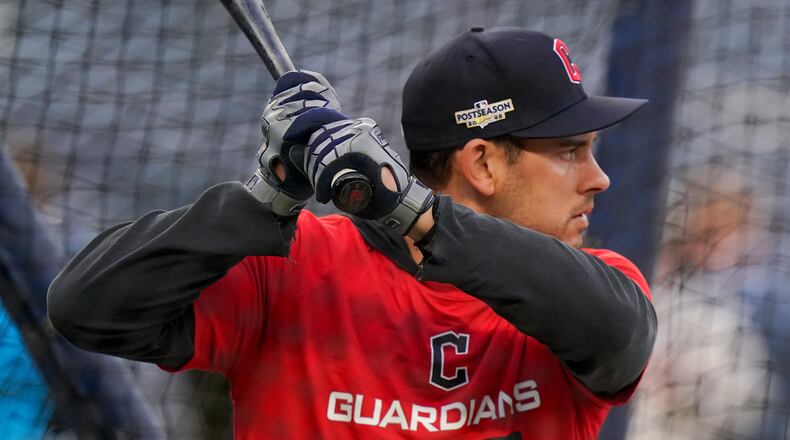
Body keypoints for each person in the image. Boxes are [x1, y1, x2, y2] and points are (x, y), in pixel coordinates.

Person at [47, 27, 656, 439]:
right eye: (571, 151)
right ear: (484, 163)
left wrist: (415, 212)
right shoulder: (293, 262)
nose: (598, 179)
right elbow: (86, 309)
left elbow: (614, 332)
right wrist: (266, 197)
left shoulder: (599, 288)